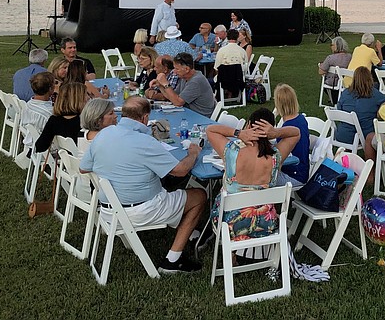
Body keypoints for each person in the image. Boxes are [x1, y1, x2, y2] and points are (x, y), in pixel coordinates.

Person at [80, 96, 206, 275]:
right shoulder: (145, 141)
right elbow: (180, 171)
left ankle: (189, 230)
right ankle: (172, 260)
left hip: (108, 210)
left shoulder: (103, 135)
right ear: (145, 118)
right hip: (140, 211)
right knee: (199, 196)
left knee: (167, 189)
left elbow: (84, 168)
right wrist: (193, 153)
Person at [205, 108, 299, 246]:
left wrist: (238, 133)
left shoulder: (232, 152)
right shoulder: (276, 157)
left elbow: (210, 130)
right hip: (266, 223)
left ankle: (232, 254)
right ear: (270, 131)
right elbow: (296, 133)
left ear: (248, 125)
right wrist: (276, 132)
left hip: (229, 225)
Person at [335, 66, 385, 155]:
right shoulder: (374, 94)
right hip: (365, 134)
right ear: (369, 78)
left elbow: (339, 109)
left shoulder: (345, 93)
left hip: (342, 134)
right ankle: (376, 160)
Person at [150, 53, 215, 117]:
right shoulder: (184, 77)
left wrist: (166, 84)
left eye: (177, 69)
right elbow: (172, 97)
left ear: (186, 69)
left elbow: (178, 102)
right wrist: (160, 86)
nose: (174, 72)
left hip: (201, 117)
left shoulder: (196, 81)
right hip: (188, 113)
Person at [272, 84, 310, 187]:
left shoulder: (287, 129)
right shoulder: (301, 119)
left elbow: (277, 159)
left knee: (258, 177)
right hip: (301, 171)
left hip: (293, 175)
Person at [35, 82, 86, 153]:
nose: (88, 98)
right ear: (79, 100)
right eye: (86, 95)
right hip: (82, 159)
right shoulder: (84, 122)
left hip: (65, 158)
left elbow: (40, 146)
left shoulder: (54, 120)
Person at [318, 36, 352, 102]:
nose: (330, 46)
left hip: (333, 83)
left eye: (332, 45)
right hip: (346, 81)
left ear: (336, 46)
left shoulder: (330, 58)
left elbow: (321, 72)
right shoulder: (350, 57)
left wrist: (321, 66)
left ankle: (332, 98)